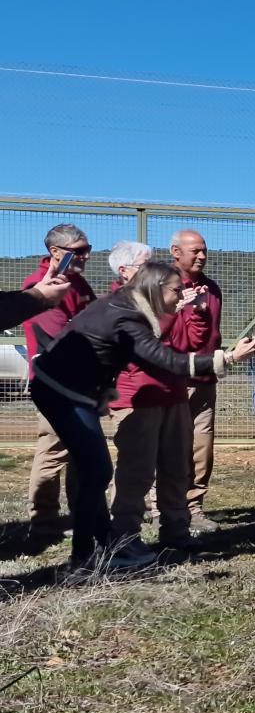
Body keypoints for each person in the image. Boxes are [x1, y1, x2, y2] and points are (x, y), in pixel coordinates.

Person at [31, 262, 255, 575]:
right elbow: (167, 360)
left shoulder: (120, 305)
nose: (181, 295)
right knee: (96, 470)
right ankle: (84, 559)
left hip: (63, 386)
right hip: (61, 391)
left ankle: (105, 545)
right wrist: (229, 358)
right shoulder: (127, 316)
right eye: (175, 290)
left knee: (93, 470)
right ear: (155, 289)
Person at [108, 254, 211, 554]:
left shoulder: (171, 308)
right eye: (174, 289)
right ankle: (125, 536)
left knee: (177, 466)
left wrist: (198, 313)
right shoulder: (125, 308)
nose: (180, 294)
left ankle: (176, 530)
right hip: (139, 399)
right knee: (135, 471)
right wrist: (174, 310)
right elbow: (155, 348)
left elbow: (190, 343)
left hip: (174, 395)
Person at [21, 224, 97, 549]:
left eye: (87, 248)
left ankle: (78, 517)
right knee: (53, 450)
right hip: (54, 386)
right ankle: (43, 523)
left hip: (81, 383)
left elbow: (93, 320)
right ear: (56, 252)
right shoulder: (38, 287)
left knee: (81, 453)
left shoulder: (76, 282)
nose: (87, 255)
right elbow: (58, 339)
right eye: (79, 250)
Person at [166, 229, 227, 533]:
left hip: (205, 378)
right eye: (195, 251)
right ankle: (157, 505)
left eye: (204, 250)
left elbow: (214, 333)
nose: (202, 256)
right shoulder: (163, 287)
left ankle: (194, 506)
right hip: (172, 380)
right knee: (168, 445)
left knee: (202, 445)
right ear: (175, 252)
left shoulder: (212, 289)